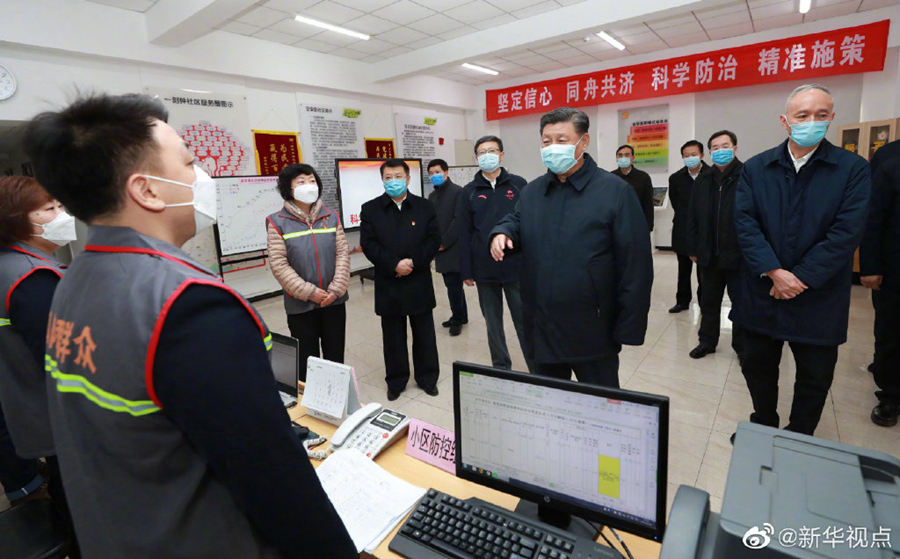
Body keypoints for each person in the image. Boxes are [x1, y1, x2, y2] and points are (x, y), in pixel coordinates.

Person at [23, 93, 355, 558]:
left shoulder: (74, 277)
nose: (202, 177)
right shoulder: (190, 305)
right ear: (148, 190)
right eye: (189, 162)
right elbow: (273, 478)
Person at [733, 84, 870, 439]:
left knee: (815, 375)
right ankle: (764, 423)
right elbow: (745, 223)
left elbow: (847, 232)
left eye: (821, 115)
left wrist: (800, 277)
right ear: (785, 121)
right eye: (802, 115)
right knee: (757, 365)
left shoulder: (852, 169)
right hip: (763, 290)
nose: (812, 122)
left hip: (818, 294)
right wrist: (774, 271)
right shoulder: (757, 167)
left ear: (831, 118)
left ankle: (798, 435)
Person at [490, 107, 653, 387]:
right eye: (546, 141)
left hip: (592, 329)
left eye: (562, 140)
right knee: (550, 401)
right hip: (542, 325)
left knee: (599, 403)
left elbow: (635, 264)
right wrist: (502, 232)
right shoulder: (533, 191)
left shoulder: (614, 191)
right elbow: (517, 219)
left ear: (583, 142)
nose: (552, 147)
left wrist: (629, 326)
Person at [0, 176, 79, 554]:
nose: (62, 215)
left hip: (32, 409)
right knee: (78, 497)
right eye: (49, 209)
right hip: (62, 415)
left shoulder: (10, 265)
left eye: (60, 206)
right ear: (18, 220)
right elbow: (67, 358)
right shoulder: (33, 276)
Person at [360, 159, 441, 401]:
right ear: (382, 180)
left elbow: (433, 240)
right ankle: (396, 381)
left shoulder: (424, 206)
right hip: (389, 281)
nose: (393, 181)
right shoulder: (371, 209)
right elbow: (369, 244)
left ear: (407, 179)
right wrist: (394, 264)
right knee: (393, 336)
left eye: (398, 176)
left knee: (424, 333)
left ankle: (427, 378)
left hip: (418, 279)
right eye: (388, 177)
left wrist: (413, 262)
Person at [456, 136, 533, 372]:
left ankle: (536, 367)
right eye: (482, 152)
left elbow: (530, 224)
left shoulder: (518, 185)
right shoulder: (468, 192)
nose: (487, 156)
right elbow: (464, 232)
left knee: (524, 320)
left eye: (492, 150)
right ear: (476, 158)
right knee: (493, 324)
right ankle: (501, 367)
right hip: (484, 268)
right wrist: (466, 270)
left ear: (501, 155)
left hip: (516, 266)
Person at [266, 163, 349, 380]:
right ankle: (310, 398)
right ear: (289, 188)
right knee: (307, 359)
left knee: (335, 355)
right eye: (301, 181)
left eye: (312, 180)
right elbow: (279, 264)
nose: (308, 185)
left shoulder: (331, 216)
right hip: (300, 304)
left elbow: (342, 253)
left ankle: (334, 395)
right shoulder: (277, 221)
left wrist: (336, 289)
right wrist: (309, 292)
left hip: (334, 301)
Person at [686, 131, 745, 362]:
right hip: (708, 253)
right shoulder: (703, 179)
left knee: (741, 303)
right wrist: (692, 247)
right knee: (708, 300)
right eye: (716, 148)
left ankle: (742, 346)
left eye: (725, 146)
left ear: (735, 148)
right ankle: (707, 341)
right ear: (709, 152)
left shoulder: (747, 175)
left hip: (738, 253)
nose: (720, 151)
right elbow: (693, 215)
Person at [860, 139, 900, 427]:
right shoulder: (889, 157)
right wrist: (870, 265)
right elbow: (872, 216)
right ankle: (890, 395)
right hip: (894, 266)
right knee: (891, 331)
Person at [426, 159, 467, 337]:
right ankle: (461, 315)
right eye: (431, 173)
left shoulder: (458, 192)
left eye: (437, 171)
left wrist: (444, 242)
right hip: (440, 247)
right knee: (452, 285)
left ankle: (457, 319)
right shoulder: (432, 196)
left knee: (454, 286)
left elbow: (459, 220)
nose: (434, 175)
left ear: (446, 172)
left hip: (454, 247)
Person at [667, 140, 708, 313]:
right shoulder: (676, 178)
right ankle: (682, 301)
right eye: (686, 155)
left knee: (704, 272)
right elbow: (676, 203)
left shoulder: (711, 175)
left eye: (693, 154)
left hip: (705, 231)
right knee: (683, 270)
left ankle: (704, 302)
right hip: (683, 230)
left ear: (702, 155)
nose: (690, 157)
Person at [612, 144, 654, 233]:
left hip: (637, 222)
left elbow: (648, 204)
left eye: (627, 155)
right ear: (616, 158)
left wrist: (648, 226)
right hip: (616, 223)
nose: (623, 158)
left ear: (632, 158)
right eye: (620, 155)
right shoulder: (611, 177)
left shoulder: (643, 177)